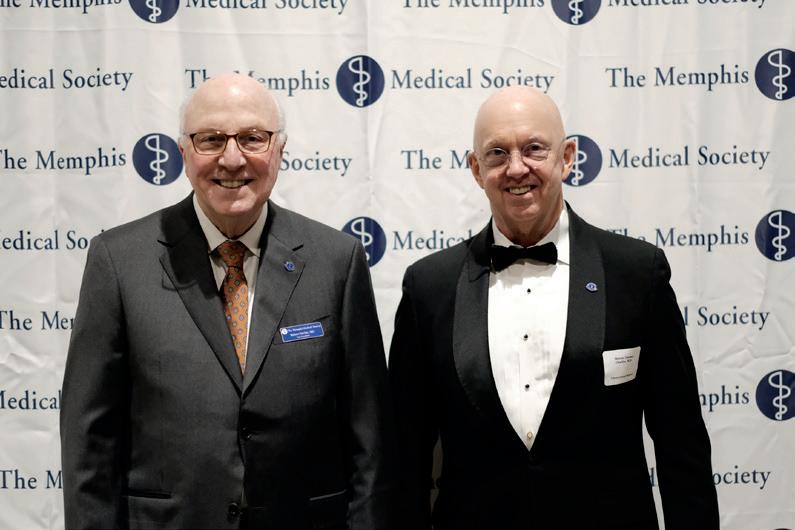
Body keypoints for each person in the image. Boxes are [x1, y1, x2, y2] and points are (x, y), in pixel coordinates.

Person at [60, 73, 395, 530]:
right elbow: (89, 442)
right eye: (211, 139)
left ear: (280, 150)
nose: (232, 158)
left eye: (253, 138)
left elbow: (370, 440)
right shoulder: (119, 262)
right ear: (183, 154)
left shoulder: (337, 261)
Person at [388, 86, 719, 529]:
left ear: (566, 158)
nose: (516, 168)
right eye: (497, 153)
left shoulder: (636, 273)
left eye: (534, 149)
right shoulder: (429, 287)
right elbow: (404, 458)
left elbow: (682, 444)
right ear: (476, 169)